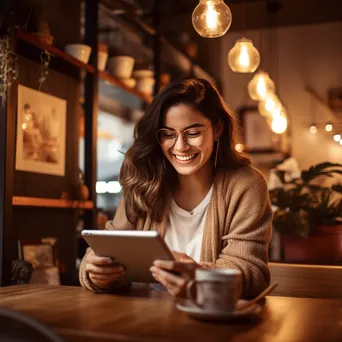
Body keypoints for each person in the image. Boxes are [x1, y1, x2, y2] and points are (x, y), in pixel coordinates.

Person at [79, 77, 273, 298]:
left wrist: (200, 277)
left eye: (193, 133)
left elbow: (253, 273)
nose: (180, 146)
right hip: (143, 321)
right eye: (168, 134)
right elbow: (107, 250)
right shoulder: (143, 180)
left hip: (212, 324)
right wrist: (96, 273)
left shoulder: (246, 185)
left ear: (218, 128)